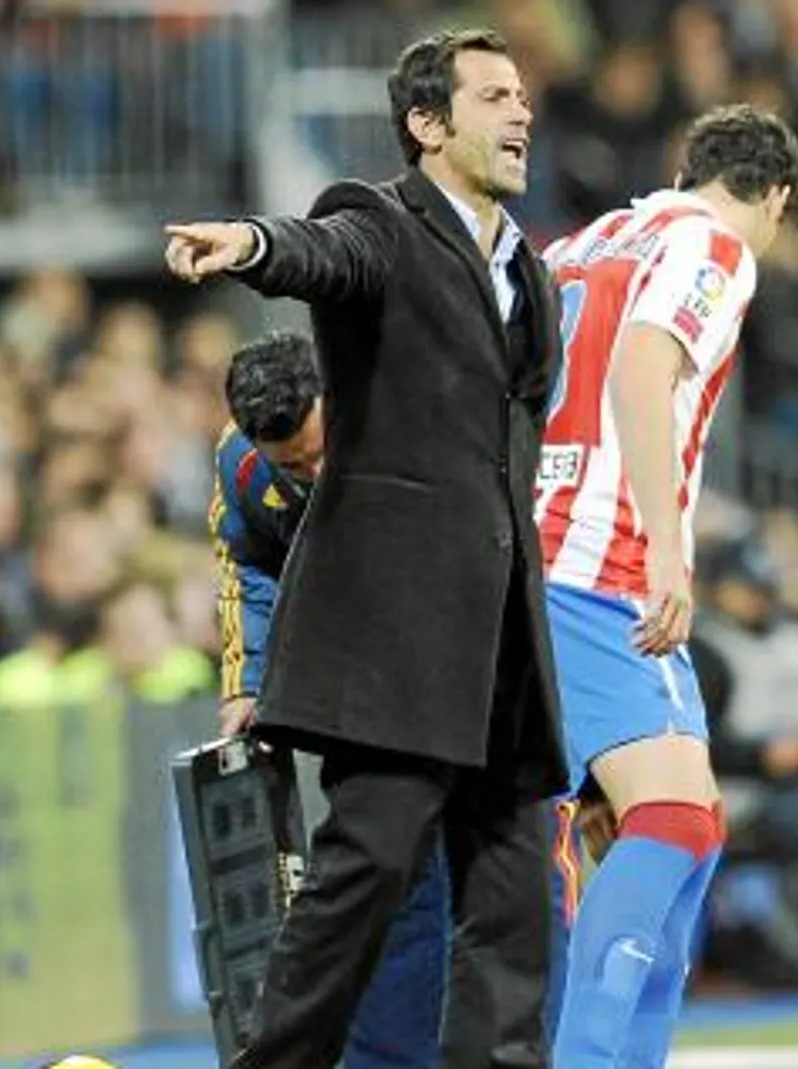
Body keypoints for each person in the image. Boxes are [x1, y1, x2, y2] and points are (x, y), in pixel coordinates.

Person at [163, 27, 566, 1069]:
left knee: (513, 887)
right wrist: (250, 244)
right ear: (428, 125)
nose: (521, 113)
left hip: (501, 638)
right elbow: (319, 253)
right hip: (393, 632)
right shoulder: (378, 222)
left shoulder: (529, 270)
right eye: (492, 97)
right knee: (365, 871)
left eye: (521, 94)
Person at [534, 102, 798, 1069]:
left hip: (534, 550)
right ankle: (590, 1060)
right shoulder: (718, 248)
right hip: (601, 559)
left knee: (690, 820)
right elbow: (643, 368)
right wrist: (663, 550)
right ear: (776, 196)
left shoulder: (590, 237)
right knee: (674, 818)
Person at [208, 329, 452, 1069]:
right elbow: (247, 571)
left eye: (320, 451)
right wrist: (247, 687)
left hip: (452, 658)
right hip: (358, 680)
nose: (314, 472)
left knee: (463, 874)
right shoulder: (241, 466)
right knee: (391, 873)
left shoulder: (407, 416)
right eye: (295, 466)